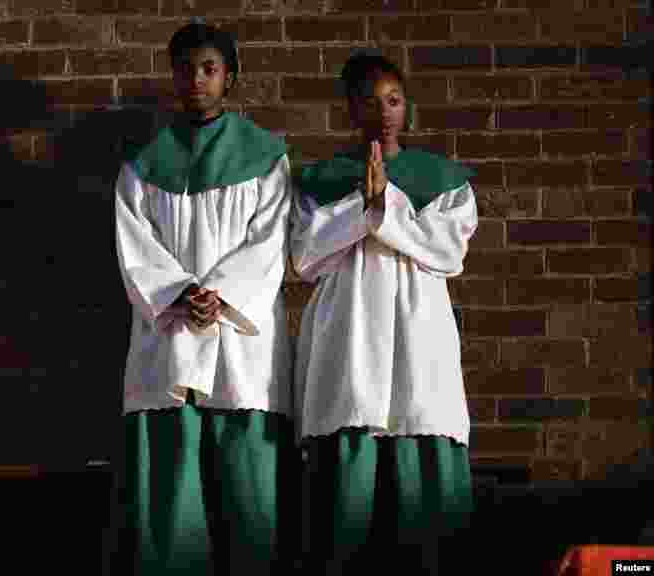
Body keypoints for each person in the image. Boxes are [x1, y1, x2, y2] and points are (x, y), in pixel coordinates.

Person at [107, 20, 297, 575]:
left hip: (241, 344)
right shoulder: (143, 164)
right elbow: (133, 243)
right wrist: (180, 293)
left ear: (230, 77)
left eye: (210, 68)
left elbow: (271, 240)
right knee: (172, 491)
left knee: (249, 494)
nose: (197, 79)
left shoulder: (266, 157)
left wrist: (222, 295)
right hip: (168, 336)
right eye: (187, 68)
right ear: (173, 77)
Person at [290, 50, 477, 575]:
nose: (385, 111)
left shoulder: (443, 178)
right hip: (349, 319)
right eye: (371, 102)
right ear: (351, 109)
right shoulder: (321, 178)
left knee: (421, 424)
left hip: (419, 324)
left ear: (406, 106)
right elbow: (306, 256)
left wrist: (381, 205)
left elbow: (447, 251)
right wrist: (365, 204)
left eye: (394, 100)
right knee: (351, 428)